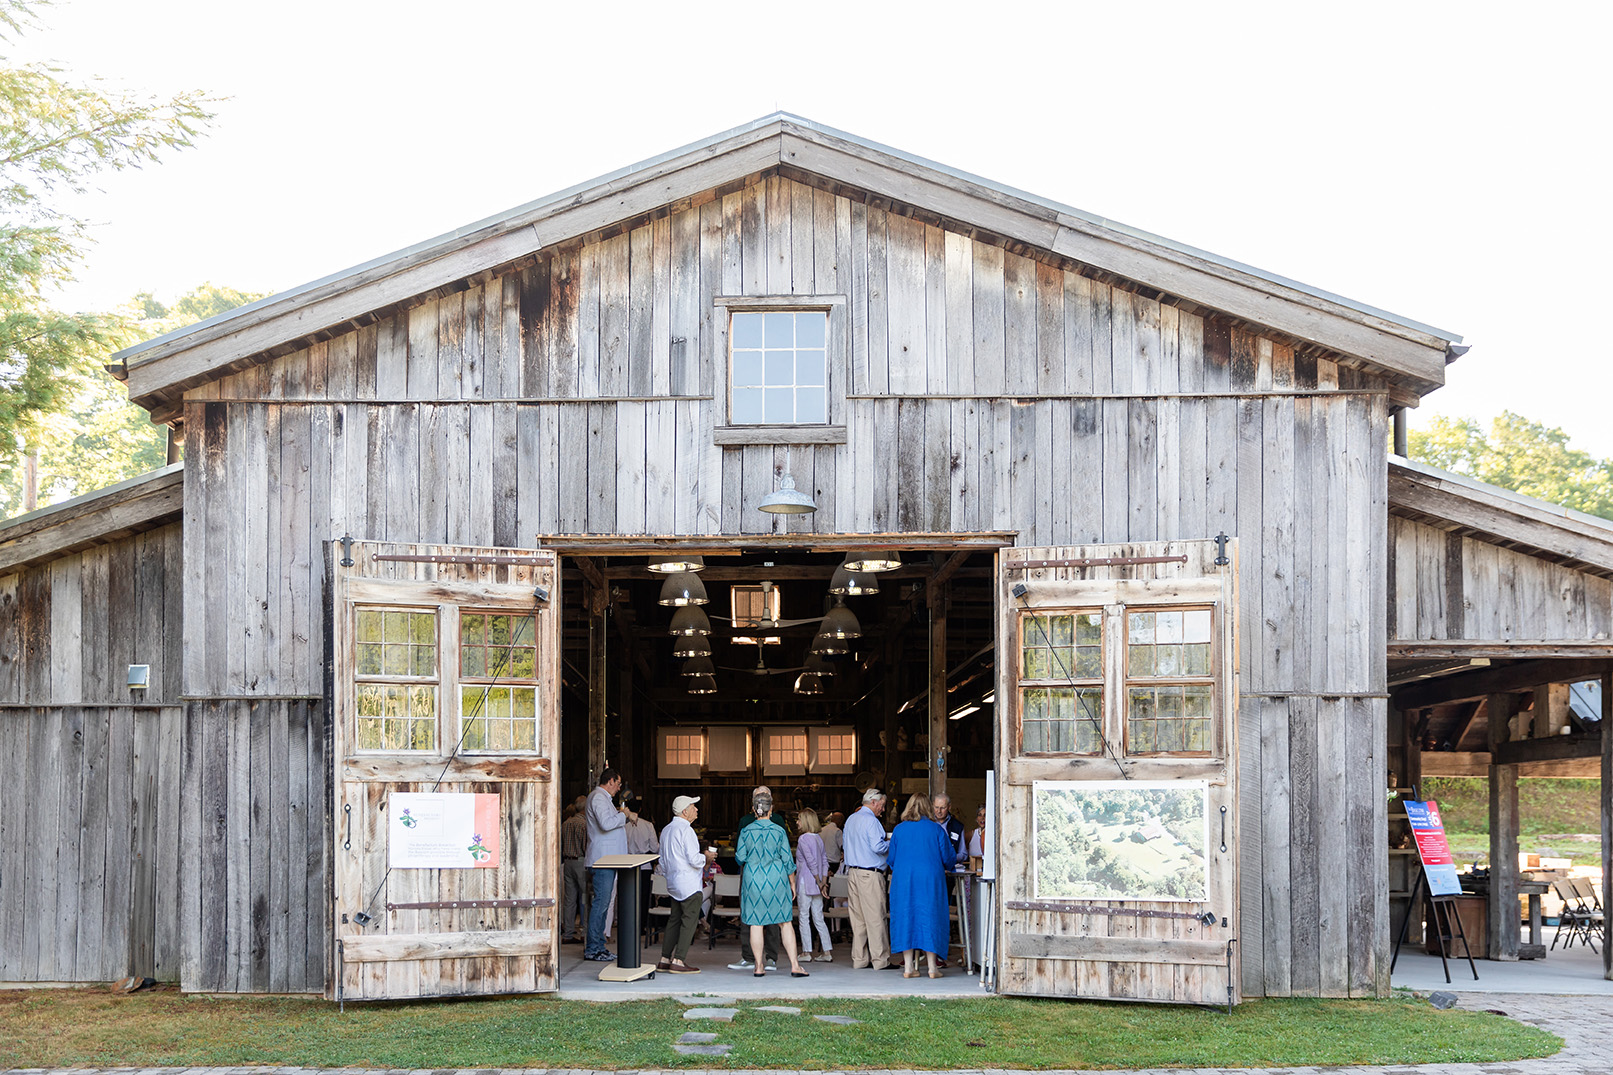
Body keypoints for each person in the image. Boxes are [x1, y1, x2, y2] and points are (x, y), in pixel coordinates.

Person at [733, 792, 808, 978]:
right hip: (776, 880)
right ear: (771, 810)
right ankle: (795, 966)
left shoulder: (746, 831)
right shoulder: (779, 831)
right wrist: (792, 882)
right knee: (785, 922)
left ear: (753, 810)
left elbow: (740, 857)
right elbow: (787, 860)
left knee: (756, 924)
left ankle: (758, 966)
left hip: (753, 880)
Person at [889, 792, 954, 978]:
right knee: (931, 916)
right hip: (930, 880)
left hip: (904, 880)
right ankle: (933, 968)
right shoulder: (936, 829)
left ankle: (909, 967)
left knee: (905, 917)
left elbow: (891, 859)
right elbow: (948, 858)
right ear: (928, 807)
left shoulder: (899, 830)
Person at [656, 795, 716, 974]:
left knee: (674, 920)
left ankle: (665, 958)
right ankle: (679, 960)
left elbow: (663, 861)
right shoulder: (687, 830)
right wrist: (706, 857)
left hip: (673, 882)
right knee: (689, 921)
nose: (696, 809)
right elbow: (693, 859)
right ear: (685, 811)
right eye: (693, 807)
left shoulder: (666, 830)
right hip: (689, 883)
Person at [727, 784, 784, 971]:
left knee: (774, 915)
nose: (762, 800)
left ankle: (771, 958)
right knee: (747, 914)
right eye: (758, 797)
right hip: (751, 871)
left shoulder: (778, 820)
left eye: (765, 796)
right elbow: (739, 850)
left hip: (770, 872)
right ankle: (748, 956)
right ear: (752, 803)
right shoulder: (745, 820)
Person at [842, 787, 894, 970]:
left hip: (853, 873)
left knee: (858, 919)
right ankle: (880, 960)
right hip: (869, 874)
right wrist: (891, 842)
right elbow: (878, 847)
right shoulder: (871, 821)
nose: (883, 809)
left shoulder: (851, 819)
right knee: (875, 917)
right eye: (882, 805)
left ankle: (860, 959)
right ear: (873, 802)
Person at [583, 768, 626, 961]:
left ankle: (598, 945)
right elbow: (606, 824)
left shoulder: (603, 799)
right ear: (609, 781)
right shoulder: (598, 798)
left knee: (603, 904)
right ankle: (593, 948)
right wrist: (623, 814)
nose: (619, 788)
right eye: (618, 784)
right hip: (602, 859)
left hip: (607, 858)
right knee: (600, 904)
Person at [929, 793, 967, 968]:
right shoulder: (927, 825)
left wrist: (949, 859)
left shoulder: (957, 826)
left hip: (948, 875)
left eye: (942, 807)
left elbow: (963, 854)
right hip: (930, 875)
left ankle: (939, 953)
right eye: (936, 807)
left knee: (942, 913)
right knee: (927, 912)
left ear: (949, 807)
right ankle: (922, 952)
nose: (939, 811)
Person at [794, 807, 833, 962]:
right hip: (817, 885)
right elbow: (824, 861)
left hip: (805, 881)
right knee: (818, 917)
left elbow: (810, 861)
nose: (797, 822)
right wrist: (823, 882)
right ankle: (827, 951)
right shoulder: (818, 838)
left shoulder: (803, 839)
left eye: (798, 819)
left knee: (804, 916)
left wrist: (818, 879)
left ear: (805, 821)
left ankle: (806, 951)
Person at [625, 797, 660, 945]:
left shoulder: (623, 826)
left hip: (626, 864)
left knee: (627, 896)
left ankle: (627, 925)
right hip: (644, 864)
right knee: (644, 898)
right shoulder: (648, 825)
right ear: (640, 809)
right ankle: (642, 926)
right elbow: (655, 847)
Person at [559, 803, 590, 943]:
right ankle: (585, 931)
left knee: (569, 900)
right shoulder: (584, 824)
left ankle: (568, 933)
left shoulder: (566, 823)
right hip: (581, 861)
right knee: (585, 898)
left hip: (567, 861)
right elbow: (586, 846)